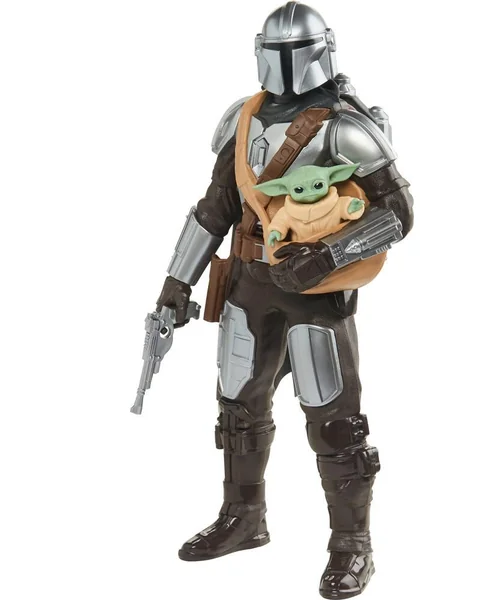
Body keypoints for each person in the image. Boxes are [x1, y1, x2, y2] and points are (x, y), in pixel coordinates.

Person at [155, 3, 414, 597]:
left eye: (294, 52)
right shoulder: (243, 119)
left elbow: (397, 213)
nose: (286, 64)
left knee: (334, 422)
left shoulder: (344, 126)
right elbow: (215, 208)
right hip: (249, 286)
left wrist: (328, 255)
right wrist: (176, 283)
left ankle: (352, 546)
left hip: (316, 294)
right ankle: (243, 518)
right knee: (238, 409)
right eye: (276, 52)